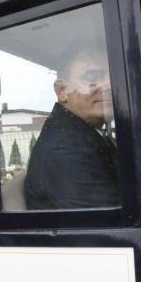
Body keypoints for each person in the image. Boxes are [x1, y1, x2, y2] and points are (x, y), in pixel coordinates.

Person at [24, 42, 120, 209]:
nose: (109, 85)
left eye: (114, 76)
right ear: (62, 91)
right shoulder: (67, 149)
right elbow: (110, 221)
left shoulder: (83, 134)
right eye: (92, 77)